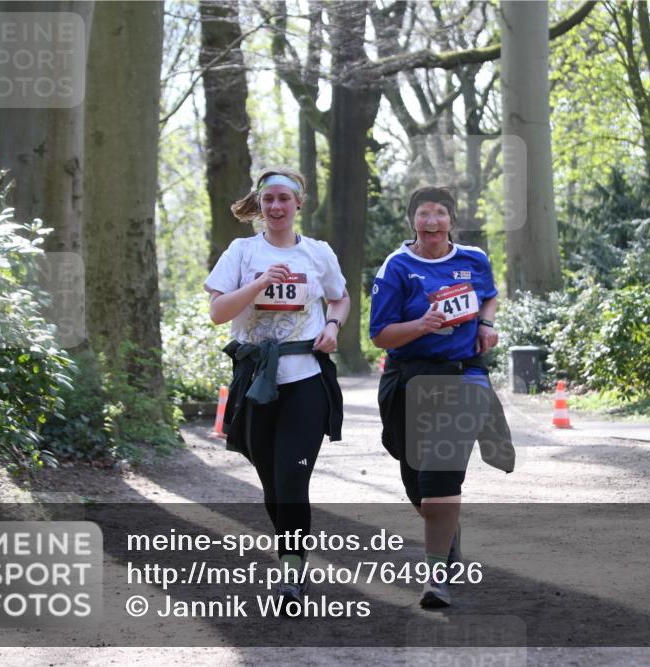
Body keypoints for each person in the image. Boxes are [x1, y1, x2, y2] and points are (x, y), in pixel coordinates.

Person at [205, 166, 349, 612]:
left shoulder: (317, 253)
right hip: (255, 382)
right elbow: (217, 312)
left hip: (305, 379)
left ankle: (291, 570)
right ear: (260, 204)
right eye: (268, 200)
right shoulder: (242, 251)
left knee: (291, 478)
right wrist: (259, 283)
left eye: (285, 199)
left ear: (298, 203)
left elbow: (339, 296)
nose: (276, 207)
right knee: (271, 482)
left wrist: (331, 323)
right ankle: (289, 550)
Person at [370, 185, 513, 609]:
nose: (432, 222)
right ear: (412, 221)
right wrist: (422, 325)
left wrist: (486, 326)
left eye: (440, 214)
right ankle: (447, 534)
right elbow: (380, 335)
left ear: (451, 219)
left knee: (439, 475)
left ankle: (436, 577)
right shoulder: (397, 267)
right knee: (416, 480)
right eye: (423, 214)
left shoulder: (474, 260)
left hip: (463, 376)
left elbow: (488, 297)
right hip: (409, 379)